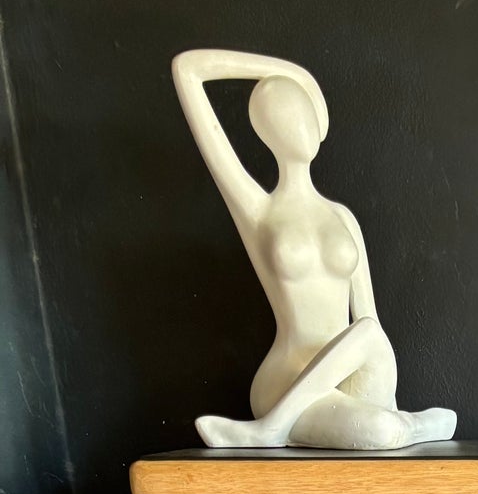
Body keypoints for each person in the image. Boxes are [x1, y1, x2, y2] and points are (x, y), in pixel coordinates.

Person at [172, 48, 456, 450]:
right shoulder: (259, 211)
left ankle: (286, 428)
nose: (297, 127)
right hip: (286, 379)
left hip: (352, 375)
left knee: (371, 335)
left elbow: (368, 318)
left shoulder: (342, 217)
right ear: (265, 133)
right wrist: (284, 71)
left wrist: (386, 395)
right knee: (384, 432)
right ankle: (286, 424)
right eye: (282, 119)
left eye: (303, 113)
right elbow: (188, 71)